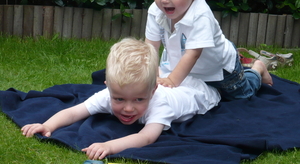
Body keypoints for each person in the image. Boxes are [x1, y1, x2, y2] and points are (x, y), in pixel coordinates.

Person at [21, 38, 220, 160]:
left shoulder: (161, 103)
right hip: (171, 83)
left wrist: (109, 146)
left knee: (246, 83)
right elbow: (75, 111)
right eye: (119, 99)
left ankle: (252, 70)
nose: (127, 108)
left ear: (152, 92)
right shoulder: (110, 95)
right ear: (108, 88)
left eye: (139, 100)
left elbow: (146, 137)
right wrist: (47, 126)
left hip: (202, 93)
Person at [145, 0, 273, 100]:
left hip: (219, 69)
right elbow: (150, 48)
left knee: (243, 95)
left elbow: (193, 54)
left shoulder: (200, 15)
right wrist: (146, 78)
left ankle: (257, 70)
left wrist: (171, 80)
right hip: (185, 68)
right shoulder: (155, 10)